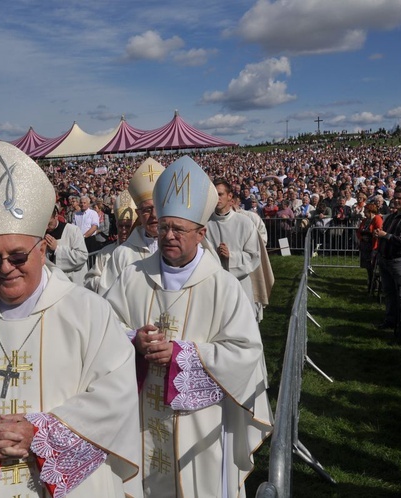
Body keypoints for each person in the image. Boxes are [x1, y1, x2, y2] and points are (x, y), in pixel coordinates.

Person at [0, 142, 141, 497]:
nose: (5, 268)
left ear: (41, 248)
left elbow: (117, 395)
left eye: (17, 256)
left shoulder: (87, 311)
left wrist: (40, 433)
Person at [104, 156, 272, 498]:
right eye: (164, 227)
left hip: (201, 425)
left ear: (201, 233)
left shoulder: (221, 286)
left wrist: (182, 355)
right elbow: (104, 329)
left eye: (179, 229)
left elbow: (246, 351)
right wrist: (133, 340)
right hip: (141, 417)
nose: (168, 236)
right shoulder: (132, 277)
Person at [98, 158, 164, 295]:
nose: (153, 215)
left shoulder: (182, 248)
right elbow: (108, 298)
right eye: (146, 210)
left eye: (158, 207)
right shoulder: (122, 254)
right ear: (138, 214)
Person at [205, 178, 261, 314]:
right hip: (215, 284)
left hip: (240, 283)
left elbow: (254, 256)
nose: (217, 198)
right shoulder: (206, 223)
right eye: (214, 195)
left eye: (220, 194)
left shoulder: (244, 222)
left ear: (230, 196)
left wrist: (231, 256)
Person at [374, 187, 401, 335]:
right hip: (385, 259)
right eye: (396, 198)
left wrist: (385, 235)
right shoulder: (392, 217)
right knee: (389, 292)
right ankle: (390, 319)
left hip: (399, 261)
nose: (397, 201)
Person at [84, 190, 137, 293]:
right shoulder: (105, 252)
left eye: (128, 226)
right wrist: (107, 283)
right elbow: (89, 280)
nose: (124, 230)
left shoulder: (143, 252)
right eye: (121, 226)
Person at [44, 204, 88, 284]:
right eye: (44, 224)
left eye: (49, 223)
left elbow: (82, 256)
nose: (46, 227)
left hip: (73, 282)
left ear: (56, 216)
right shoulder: (41, 234)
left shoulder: (73, 230)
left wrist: (57, 249)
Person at [355, 203, 382, 292]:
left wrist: (372, 235)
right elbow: (359, 231)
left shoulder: (377, 219)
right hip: (365, 246)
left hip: (373, 246)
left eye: (365, 210)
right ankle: (371, 284)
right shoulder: (365, 220)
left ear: (370, 211)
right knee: (368, 267)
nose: (364, 212)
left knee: (373, 267)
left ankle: (375, 285)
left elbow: (379, 230)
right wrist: (362, 237)